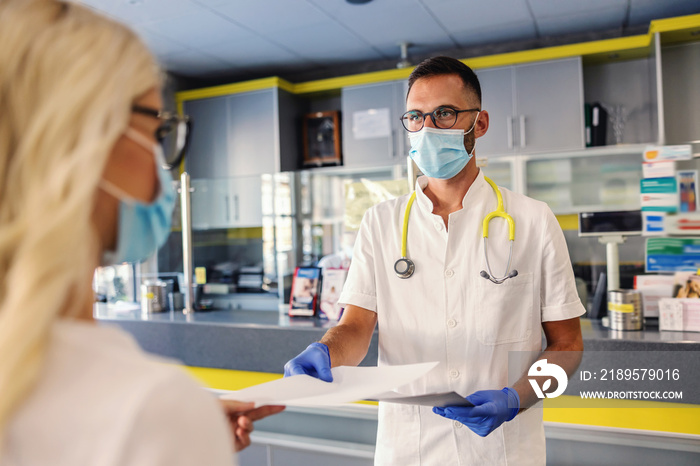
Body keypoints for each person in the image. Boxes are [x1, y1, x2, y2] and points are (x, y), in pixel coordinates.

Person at [0, 1, 282, 464]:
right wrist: (177, 433)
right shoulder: (151, 407)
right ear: (86, 143)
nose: (162, 164)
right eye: (156, 130)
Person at [284, 56, 585, 465]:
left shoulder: (532, 220)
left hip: (501, 453)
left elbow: (567, 345)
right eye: (415, 117)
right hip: (410, 449)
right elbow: (355, 327)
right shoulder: (381, 223)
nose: (427, 129)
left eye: (444, 114)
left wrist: (519, 397)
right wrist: (326, 351)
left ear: (479, 124)